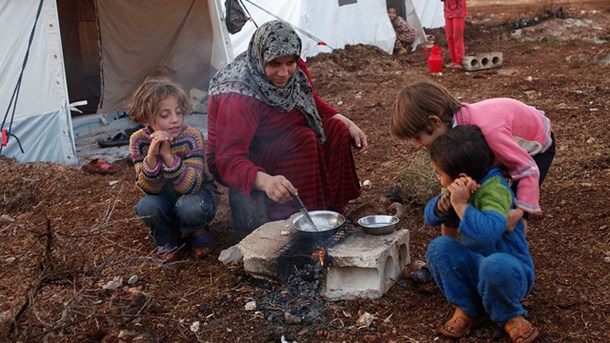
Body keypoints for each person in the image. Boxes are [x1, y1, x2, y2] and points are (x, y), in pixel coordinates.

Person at [206, 20, 367, 231]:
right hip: (244, 155)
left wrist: (347, 122)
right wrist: (267, 182)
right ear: (260, 57)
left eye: (290, 62)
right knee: (303, 139)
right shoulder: (239, 95)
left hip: (280, 137)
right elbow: (228, 159)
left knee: (335, 131)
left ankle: (332, 213)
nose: (284, 73)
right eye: (274, 64)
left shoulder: (296, 67)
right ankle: (300, 223)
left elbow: (311, 101)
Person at [425, 125, 539, 342]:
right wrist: (443, 204)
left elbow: (487, 233)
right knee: (438, 249)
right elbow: (430, 217)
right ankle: (469, 308)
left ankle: (510, 315)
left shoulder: (495, 190)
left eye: (439, 174)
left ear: (460, 175)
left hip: (509, 269)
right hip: (475, 265)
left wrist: (461, 206)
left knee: (494, 266)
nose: (439, 180)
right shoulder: (456, 187)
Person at [129, 77, 219, 262]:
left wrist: (169, 157)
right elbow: (148, 189)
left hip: (195, 194)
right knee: (146, 206)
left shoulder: (191, 136)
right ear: (146, 118)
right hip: (162, 196)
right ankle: (167, 237)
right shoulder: (138, 141)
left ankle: (197, 230)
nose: (175, 120)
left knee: (190, 207)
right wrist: (152, 156)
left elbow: (192, 185)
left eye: (179, 113)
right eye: (165, 115)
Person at [442, 0, 467, 69]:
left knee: (457, 37)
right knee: (449, 37)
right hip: (448, 9)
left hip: (458, 9)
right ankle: (454, 61)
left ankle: (459, 61)